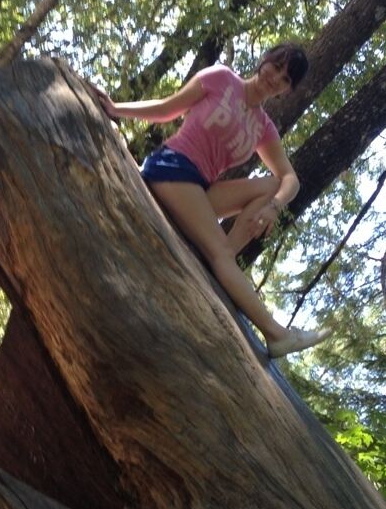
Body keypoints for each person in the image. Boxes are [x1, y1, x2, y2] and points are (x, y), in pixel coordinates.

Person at [96, 43, 330, 358]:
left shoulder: (263, 127)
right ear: (264, 60)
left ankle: (223, 258)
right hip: (172, 166)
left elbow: (290, 179)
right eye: (276, 67)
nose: (276, 78)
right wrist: (116, 108)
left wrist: (274, 207)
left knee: (273, 185)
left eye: (286, 79)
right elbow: (167, 108)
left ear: (288, 90)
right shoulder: (222, 79)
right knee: (221, 253)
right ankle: (277, 334)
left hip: (201, 187)